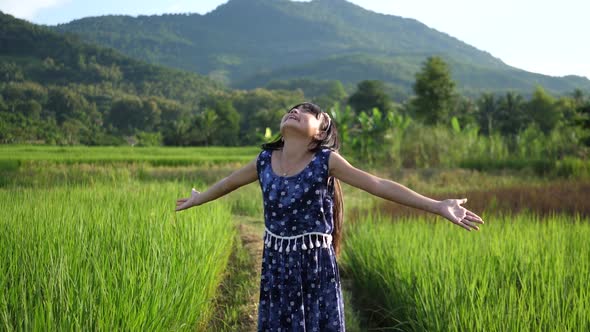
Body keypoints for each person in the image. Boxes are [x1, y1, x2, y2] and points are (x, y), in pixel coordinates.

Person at [175, 102, 485, 331]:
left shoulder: (325, 161)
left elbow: (378, 184)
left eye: (306, 110)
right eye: (291, 109)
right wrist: (199, 197)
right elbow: (229, 182)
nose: (294, 111)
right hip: (276, 264)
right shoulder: (264, 160)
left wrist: (437, 205)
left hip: (314, 265)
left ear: (321, 131)